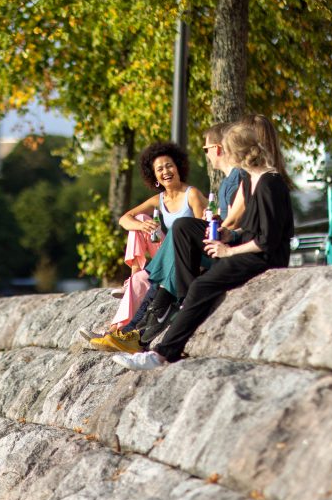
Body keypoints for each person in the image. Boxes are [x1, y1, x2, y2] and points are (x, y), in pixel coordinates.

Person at [113, 114, 294, 370]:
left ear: (236, 152)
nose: (217, 155)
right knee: (188, 243)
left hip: (262, 257)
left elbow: (267, 242)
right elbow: (255, 229)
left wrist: (228, 251)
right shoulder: (256, 180)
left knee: (200, 287)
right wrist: (229, 235)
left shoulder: (267, 183)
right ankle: (161, 339)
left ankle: (160, 353)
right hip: (252, 251)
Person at [88, 142, 206, 352]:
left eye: (169, 166)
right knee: (139, 222)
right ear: (154, 176)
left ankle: (120, 332)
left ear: (178, 167)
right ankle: (118, 333)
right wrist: (142, 225)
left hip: (186, 256)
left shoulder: (192, 195)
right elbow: (124, 219)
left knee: (143, 277)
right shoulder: (158, 200)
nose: (165, 172)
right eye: (159, 169)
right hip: (167, 254)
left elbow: (202, 233)